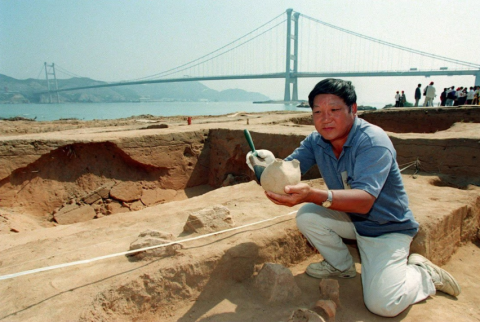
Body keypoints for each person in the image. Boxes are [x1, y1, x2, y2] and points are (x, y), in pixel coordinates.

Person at [246, 78, 461, 318]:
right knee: (307, 216)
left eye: (334, 110)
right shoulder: (317, 142)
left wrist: (314, 195)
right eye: (318, 111)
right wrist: (262, 167)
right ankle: (341, 266)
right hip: (350, 219)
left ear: (354, 109)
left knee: (383, 304)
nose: (325, 118)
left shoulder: (372, 142)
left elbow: (365, 200)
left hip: (386, 228)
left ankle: (423, 273)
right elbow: (287, 173)